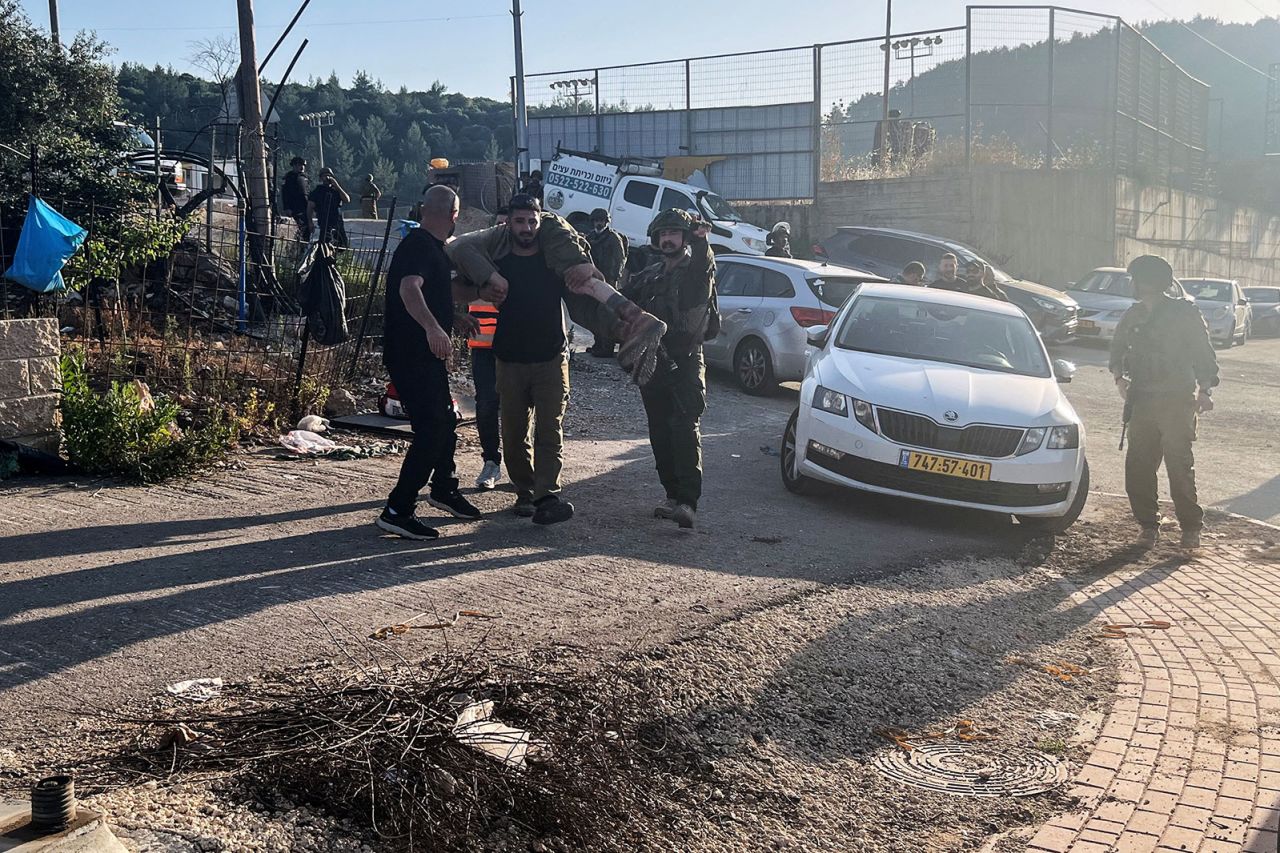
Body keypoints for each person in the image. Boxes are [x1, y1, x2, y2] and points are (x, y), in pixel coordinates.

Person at [447, 197, 669, 522]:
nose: (527, 228)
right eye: (520, 221)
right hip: (509, 358)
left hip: (551, 357)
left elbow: (585, 304)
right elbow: (457, 285)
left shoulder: (553, 259)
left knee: (550, 430)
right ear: (509, 222)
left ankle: (547, 496)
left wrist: (620, 327)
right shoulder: (497, 257)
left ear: (540, 222)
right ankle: (524, 491)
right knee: (514, 433)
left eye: (532, 222)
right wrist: (482, 291)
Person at [375, 185, 486, 541]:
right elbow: (409, 289)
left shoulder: (432, 249)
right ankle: (398, 509)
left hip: (422, 354)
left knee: (444, 420)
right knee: (432, 428)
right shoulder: (420, 246)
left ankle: (443, 489)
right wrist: (434, 328)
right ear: (454, 215)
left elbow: (437, 291)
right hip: (411, 354)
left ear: (425, 209)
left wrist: (453, 318)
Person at [1110, 254, 1219, 551]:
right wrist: (1120, 380)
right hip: (1142, 401)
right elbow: (1116, 350)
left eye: (1136, 279)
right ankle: (1148, 526)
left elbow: (1203, 355)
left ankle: (1190, 528)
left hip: (1176, 401)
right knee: (1138, 467)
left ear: (1148, 282)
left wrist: (1205, 390)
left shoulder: (1185, 313)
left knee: (1179, 466)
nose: (1132, 284)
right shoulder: (1133, 315)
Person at [623, 208, 717, 529]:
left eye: (673, 233)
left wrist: (702, 241)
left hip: (687, 361)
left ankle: (688, 503)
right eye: (663, 234)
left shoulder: (696, 269)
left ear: (685, 237)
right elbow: (621, 300)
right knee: (659, 431)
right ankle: (672, 496)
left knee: (684, 427)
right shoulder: (651, 274)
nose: (667, 239)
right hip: (655, 362)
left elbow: (702, 269)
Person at [467, 206, 509, 491]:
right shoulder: (474, 260)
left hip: (519, 346)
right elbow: (455, 290)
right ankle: (491, 462)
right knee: (486, 405)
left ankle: (522, 465)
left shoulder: (526, 261)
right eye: (499, 226)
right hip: (483, 346)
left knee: (520, 408)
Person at [586, 208, 628, 357]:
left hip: (609, 281)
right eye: (597, 221)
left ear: (606, 221)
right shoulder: (590, 237)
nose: (599, 223)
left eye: (601, 221)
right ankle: (598, 344)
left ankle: (607, 347)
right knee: (594, 314)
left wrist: (613, 279)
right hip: (594, 280)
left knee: (608, 315)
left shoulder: (613, 238)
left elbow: (620, 260)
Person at [308, 167, 350, 247]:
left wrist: (337, 186)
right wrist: (310, 222)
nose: (327, 178)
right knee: (325, 245)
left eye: (329, 175)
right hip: (324, 221)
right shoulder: (317, 191)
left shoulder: (336, 190)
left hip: (337, 221)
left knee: (342, 245)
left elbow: (347, 199)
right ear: (321, 178)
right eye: (324, 176)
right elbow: (310, 207)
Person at [280, 157, 311, 240]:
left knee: (306, 230)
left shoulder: (305, 177)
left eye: (303, 165)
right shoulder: (289, 178)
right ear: (294, 166)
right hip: (294, 208)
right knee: (297, 230)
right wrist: (287, 207)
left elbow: (308, 192)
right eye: (299, 165)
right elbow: (284, 194)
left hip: (305, 208)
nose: (302, 167)